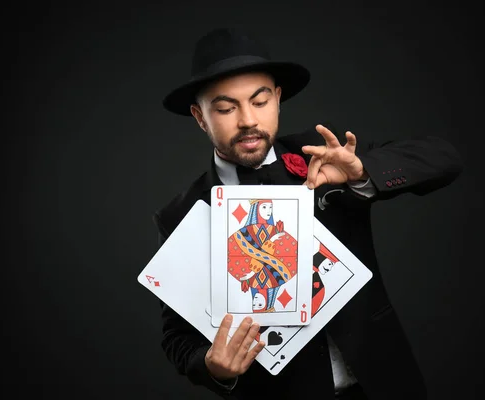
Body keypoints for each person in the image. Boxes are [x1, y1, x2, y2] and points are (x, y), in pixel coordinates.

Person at [151, 27, 463, 400]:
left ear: (278, 99)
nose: (248, 119)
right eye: (225, 108)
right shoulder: (180, 216)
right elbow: (178, 339)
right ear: (200, 117)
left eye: (260, 101)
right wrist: (212, 366)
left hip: (382, 381)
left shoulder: (323, 155)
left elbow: (444, 159)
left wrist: (362, 171)